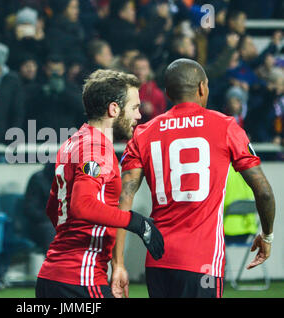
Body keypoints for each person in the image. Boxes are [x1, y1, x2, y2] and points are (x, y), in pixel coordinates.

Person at [111, 58, 275, 298]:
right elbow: (263, 192)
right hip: (203, 262)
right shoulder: (226, 126)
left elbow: (123, 199)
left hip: (159, 263)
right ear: (202, 87)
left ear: (167, 93)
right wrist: (267, 235)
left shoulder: (143, 133)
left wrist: (118, 264)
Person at [36, 69, 164, 298]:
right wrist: (136, 222)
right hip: (80, 279)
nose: (138, 116)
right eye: (134, 108)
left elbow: (53, 208)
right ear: (114, 109)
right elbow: (82, 205)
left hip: (53, 276)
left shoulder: (72, 143)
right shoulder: (97, 147)